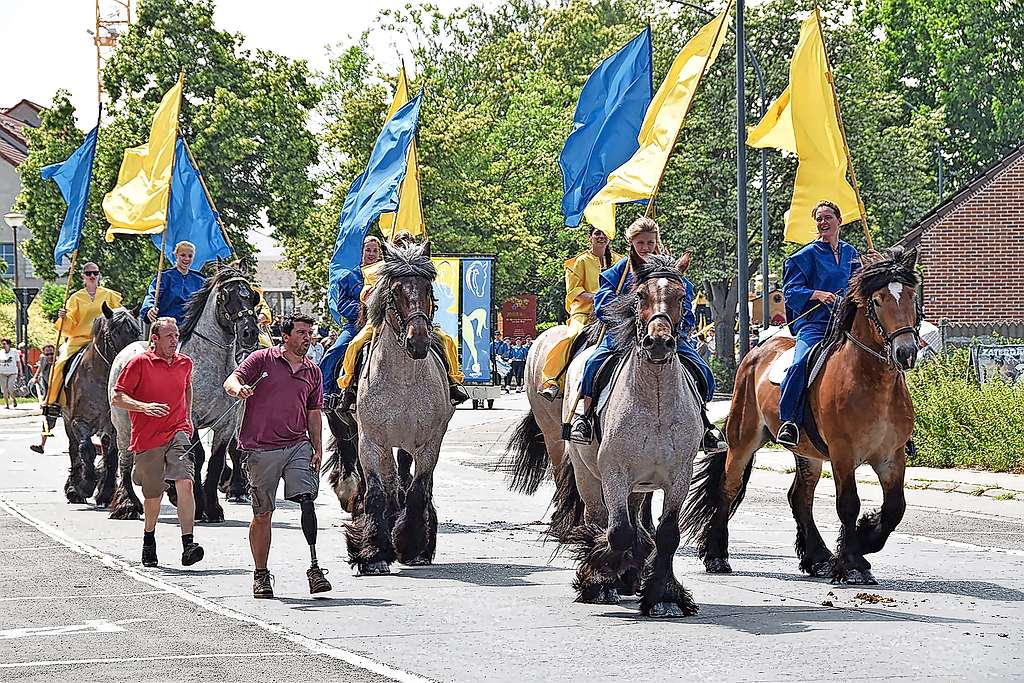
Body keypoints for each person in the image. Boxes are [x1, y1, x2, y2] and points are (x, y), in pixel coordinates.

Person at [569, 217, 724, 451]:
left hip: (667, 333)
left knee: (701, 369)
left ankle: (703, 422)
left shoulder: (671, 271)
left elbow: (685, 299)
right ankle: (586, 417)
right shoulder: (619, 271)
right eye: (640, 243)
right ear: (630, 243)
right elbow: (602, 302)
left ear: (656, 241)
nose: (646, 247)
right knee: (593, 364)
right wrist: (626, 315)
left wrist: (683, 323)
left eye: (650, 242)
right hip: (625, 334)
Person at [224, 313, 331, 599]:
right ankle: (261, 574)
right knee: (263, 514)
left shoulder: (313, 371)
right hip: (260, 447)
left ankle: (315, 568)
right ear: (286, 336)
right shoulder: (262, 359)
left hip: (298, 444)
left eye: (309, 333)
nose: (307, 337)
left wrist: (318, 447)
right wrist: (239, 389)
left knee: (307, 500)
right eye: (301, 332)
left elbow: (313, 412)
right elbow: (231, 380)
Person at [776, 201, 878, 447]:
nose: (823, 223)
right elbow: (790, 292)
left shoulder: (852, 254)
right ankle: (788, 420)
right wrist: (817, 295)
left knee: (882, 357)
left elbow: (860, 286)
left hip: (846, 325)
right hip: (816, 325)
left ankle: (892, 425)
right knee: (800, 363)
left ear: (839, 221)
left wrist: (874, 266)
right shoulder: (802, 257)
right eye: (819, 219)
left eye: (828, 217)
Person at [337, 232, 469, 411]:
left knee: (447, 340)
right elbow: (365, 293)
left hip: (415, 319)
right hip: (380, 321)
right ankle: (348, 388)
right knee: (355, 344)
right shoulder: (377, 270)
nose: (404, 248)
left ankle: (453, 383)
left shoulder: (418, 271)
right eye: (400, 244)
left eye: (408, 244)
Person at [111, 317, 204, 568]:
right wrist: (144, 407)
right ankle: (149, 537)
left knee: (185, 483)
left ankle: (188, 544)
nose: (175, 340)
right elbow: (117, 398)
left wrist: (187, 417)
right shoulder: (138, 363)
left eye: (176, 335)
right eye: (169, 336)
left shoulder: (185, 363)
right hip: (148, 437)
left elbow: (187, 387)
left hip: (178, 433)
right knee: (153, 496)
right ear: (155, 338)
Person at [539, 227, 617, 400]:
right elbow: (575, 292)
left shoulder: (620, 261)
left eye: (604, 233)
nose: (601, 237)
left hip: (613, 313)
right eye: (597, 233)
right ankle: (552, 381)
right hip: (585, 313)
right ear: (590, 237)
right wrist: (599, 296)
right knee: (572, 336)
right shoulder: (580, 262)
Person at [43, 262, 123, 412]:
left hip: (104, 340)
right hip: (80, 339)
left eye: (95, 273)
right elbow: (70, 323)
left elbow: (118, 317)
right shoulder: (75, 298)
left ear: (99, 275)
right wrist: (64, 317)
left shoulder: (110, 295)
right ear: (83, 276)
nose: (92, 276)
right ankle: (52, 403)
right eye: (88, 273)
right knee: (60, 365)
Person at [319, 235, 382, 404]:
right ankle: (325, 391)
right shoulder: (349, 277)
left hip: (383, 323)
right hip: (356, 325)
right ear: (361, 252)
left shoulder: (386, 275)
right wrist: (364, 307)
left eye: (375, 250)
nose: (371, 253)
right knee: (336, 349)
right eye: (368, 250)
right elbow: (343, 306)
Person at [140, 241, 205, 327]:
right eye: (183, 255)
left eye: (190, 256)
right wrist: (149, 308)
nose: (186, 259)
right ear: (176, 255)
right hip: (166, 326)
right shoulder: (164, 277)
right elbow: (152, 295)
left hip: (192, 327)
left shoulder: (200, 280)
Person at [29, 345, 56, 453]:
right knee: (47, 421)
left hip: (61, 395)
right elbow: (39, 370)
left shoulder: (59, 362)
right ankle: (41, 445)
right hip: (49, 396)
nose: (49, 356)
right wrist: (35, 378)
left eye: (51, 354)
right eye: (47, 354)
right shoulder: (43, 361)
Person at [0, 338, 20, 409]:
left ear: (8, 344)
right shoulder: (1, 352)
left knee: (10, 388)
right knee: (4, 390)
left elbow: (18, 362)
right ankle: (7, 404)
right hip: (2, 373)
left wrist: (21, 372)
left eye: (4, 344)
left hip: (12, 372)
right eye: (2, 344)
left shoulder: (14, 351)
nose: (3, 345)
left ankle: (14, 399)